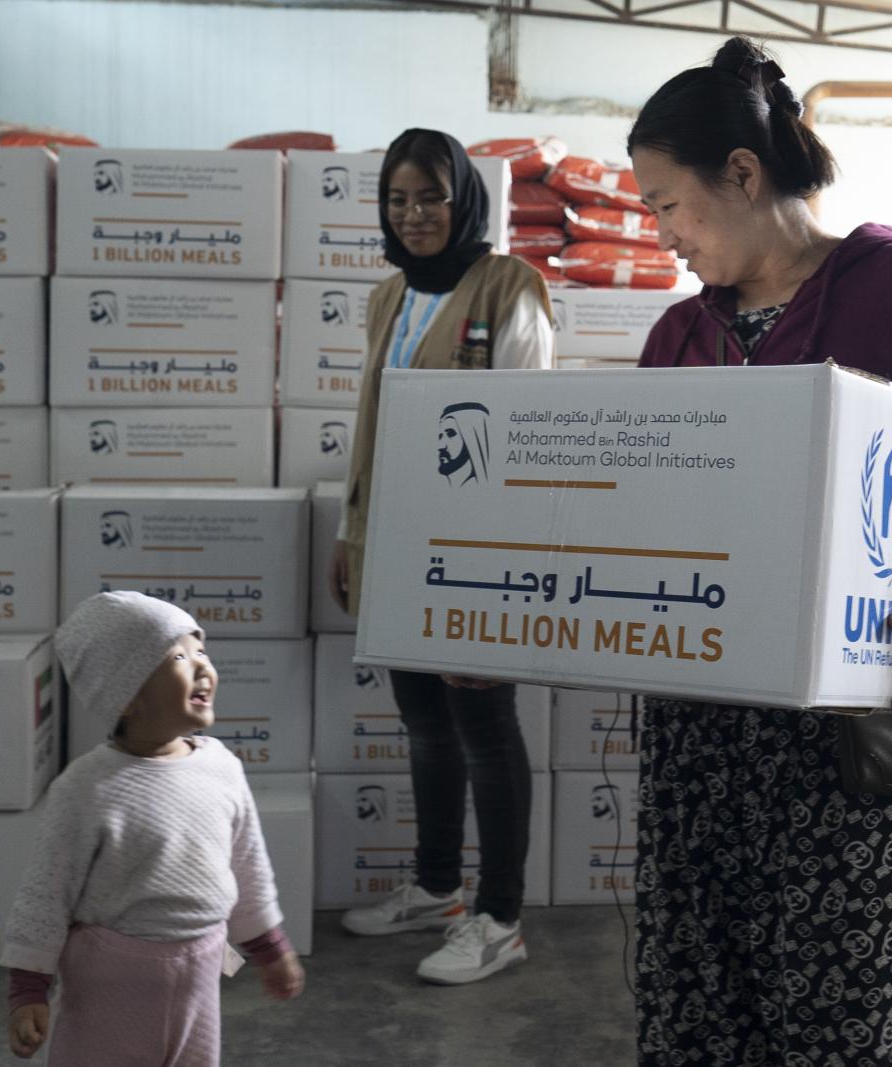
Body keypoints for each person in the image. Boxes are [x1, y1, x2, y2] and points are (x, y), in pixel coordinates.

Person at [626, 37, 892, 1064]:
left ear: (741, 172)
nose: (662, 232)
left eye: (668, 204)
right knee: (700, 1014)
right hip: (701, 751)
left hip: (853, 744)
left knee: (850, 1021)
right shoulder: (679, 336)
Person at [326, 127, 553, 985]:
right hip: (393, 543)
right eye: (398, 199)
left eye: (430, 196)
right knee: (424, 723)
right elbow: (371, 430)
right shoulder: (387, 297)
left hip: (477, 552)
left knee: (486, 729)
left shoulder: (509, 285)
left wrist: (498, 573)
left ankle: (500, 916)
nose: (414, 214)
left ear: (464, 201)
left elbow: (527, 436)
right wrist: (353, 534)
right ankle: (434, 887)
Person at [0, 591, 304, 1065]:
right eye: (180, 656)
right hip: (110, 984)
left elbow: (248, 866)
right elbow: (45, 894)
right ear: (129, 696)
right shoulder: (86, 788)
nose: (203, 666)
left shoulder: (222, 767)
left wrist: (269, 947)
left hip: (201, 971)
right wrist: (28, 990)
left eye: (202, 651)